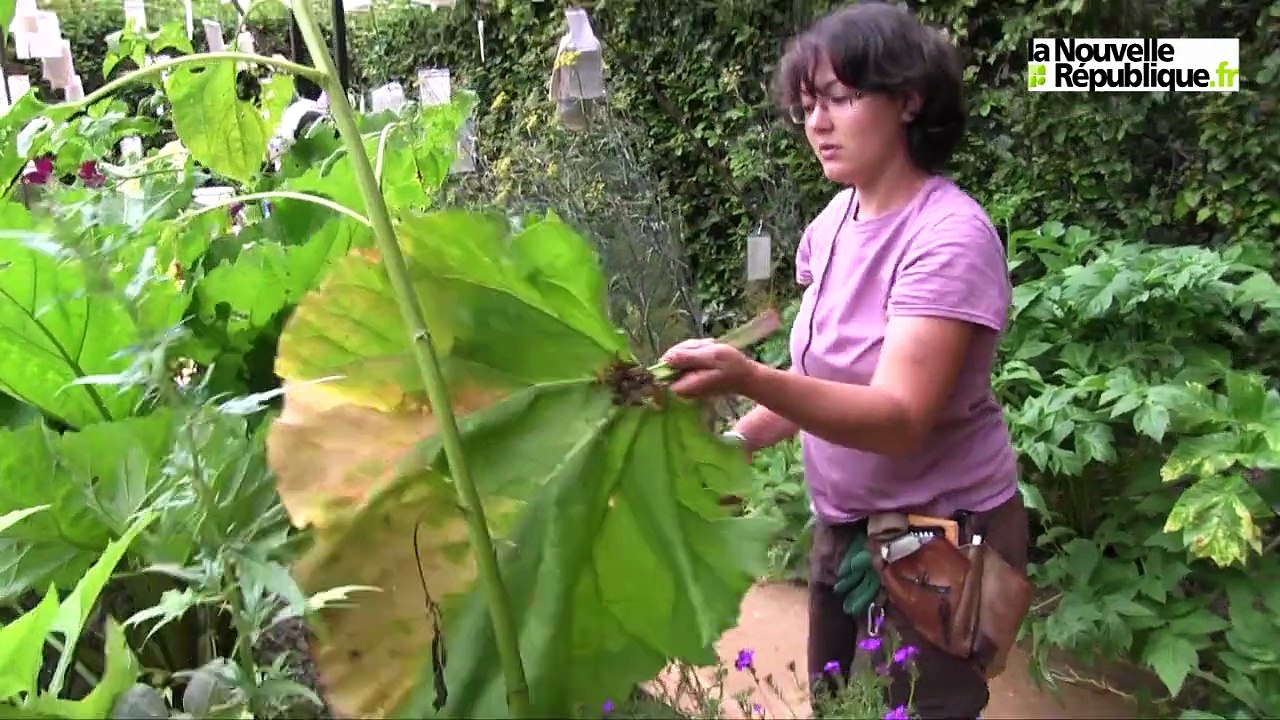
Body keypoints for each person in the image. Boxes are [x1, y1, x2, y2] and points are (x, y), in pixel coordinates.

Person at [657, 3, 1028, 719]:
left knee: (911, 708)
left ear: (908, 100)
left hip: (941, 536)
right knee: (839, 704)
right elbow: (822, 379)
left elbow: (897, 419)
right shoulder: (834, 223)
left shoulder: (947, 239)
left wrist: (748, 376)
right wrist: (735, 443)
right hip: (847, 524)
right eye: (806, 106)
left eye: (841, 98)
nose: (817, 123)